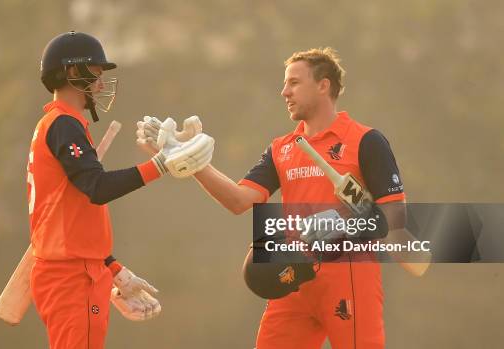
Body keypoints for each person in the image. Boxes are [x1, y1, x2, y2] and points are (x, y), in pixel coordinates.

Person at [137, 47, 425, 349]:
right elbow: (238, 200)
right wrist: (189, 161)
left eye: (294, 83)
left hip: (350, 279)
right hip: (292, 279)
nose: (284, 91)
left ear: (323, 85)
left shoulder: (365, 141)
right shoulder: (281, 148)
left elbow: (392, 220)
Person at [28, 31, 214, 349]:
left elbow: (76, 213)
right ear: (73, 72)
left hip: (77, 269)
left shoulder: (63, 123)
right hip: (72, 277)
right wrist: (160, 165)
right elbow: (97, 188)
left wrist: (113, 269)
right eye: (96, 75)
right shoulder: (63, 124)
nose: (101, 84)